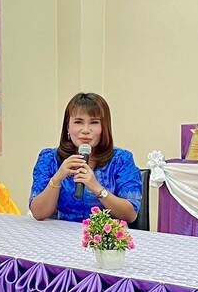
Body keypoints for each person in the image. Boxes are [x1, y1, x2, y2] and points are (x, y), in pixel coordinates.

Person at [30, 92, 142, 223]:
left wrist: (96, 188)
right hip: (62, 232)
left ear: (104, 127)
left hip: (105, 233)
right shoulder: (49, 158)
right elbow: (38, 214)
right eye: (78, 122)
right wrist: (57, 178)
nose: (85, 130)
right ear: (67, 126)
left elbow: (130, 215)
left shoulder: (121, 160)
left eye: (94, 122)